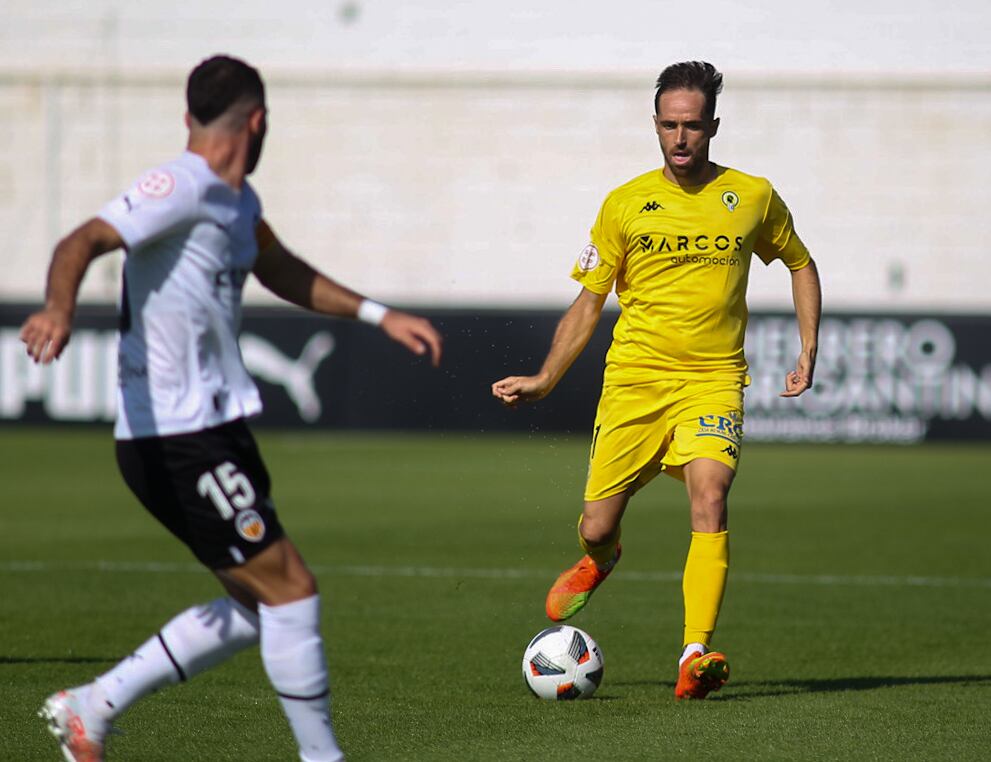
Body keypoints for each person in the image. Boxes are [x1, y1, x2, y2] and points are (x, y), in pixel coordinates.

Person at [22, 55, 442, 762]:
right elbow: (82, 240)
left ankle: (92, 708)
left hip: (217, 429)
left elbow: (281, 269)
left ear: (193, 116)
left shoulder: (238, 202)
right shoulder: (178, 187)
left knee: (259, 609)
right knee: (293, 592)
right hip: (176, 437)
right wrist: (59, 308)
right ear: (258, 121)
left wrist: (376, 313)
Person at [492, 61, 820, 700]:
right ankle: (603, 556)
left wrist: (809, 350)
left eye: (692, 126)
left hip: (713, 380)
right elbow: (588, 302)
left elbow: (800, 264)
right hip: (636, 382)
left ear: (713, 127)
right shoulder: (623, 203)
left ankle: (694, 654)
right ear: (655, 125)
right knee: (594, 523)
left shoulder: (752, 196)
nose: (680, 139)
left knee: (711, 497)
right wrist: (546, 377)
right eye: (669, 125)